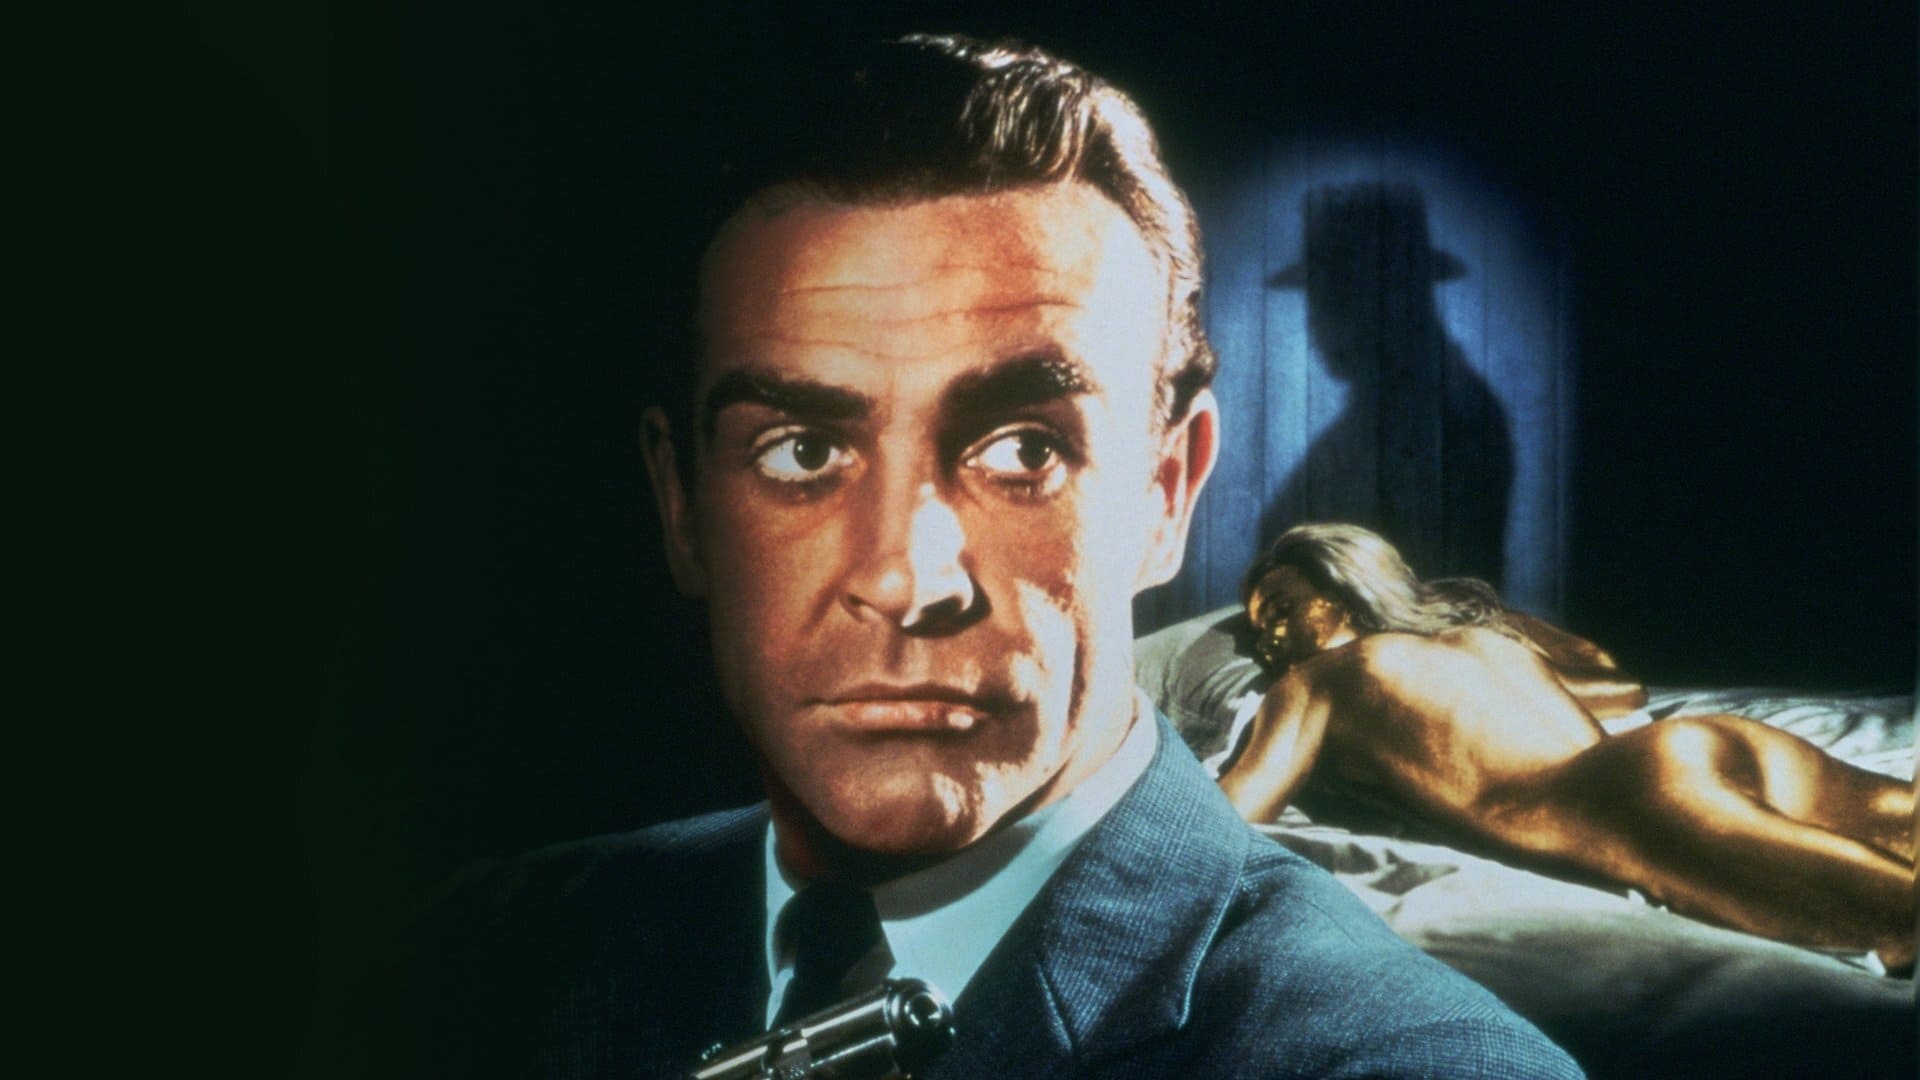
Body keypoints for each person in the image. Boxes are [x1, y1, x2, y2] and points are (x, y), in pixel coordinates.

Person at [410, 37, 1583, 1077]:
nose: (911, 579)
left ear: (1166, 490)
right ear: (681, 507)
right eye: (799, 452)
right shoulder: (484, 954)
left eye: (1024, 451)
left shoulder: (1409, 1065)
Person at [1218, 522, 1917, 973]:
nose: (1266, 640)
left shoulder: (1315, 684)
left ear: (1339, 590)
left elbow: (1225, 826)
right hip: (1697, 748)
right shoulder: (1479, 641)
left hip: (1628, 800)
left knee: (1901, 919)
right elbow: (1618, 686)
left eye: (1279, 609)